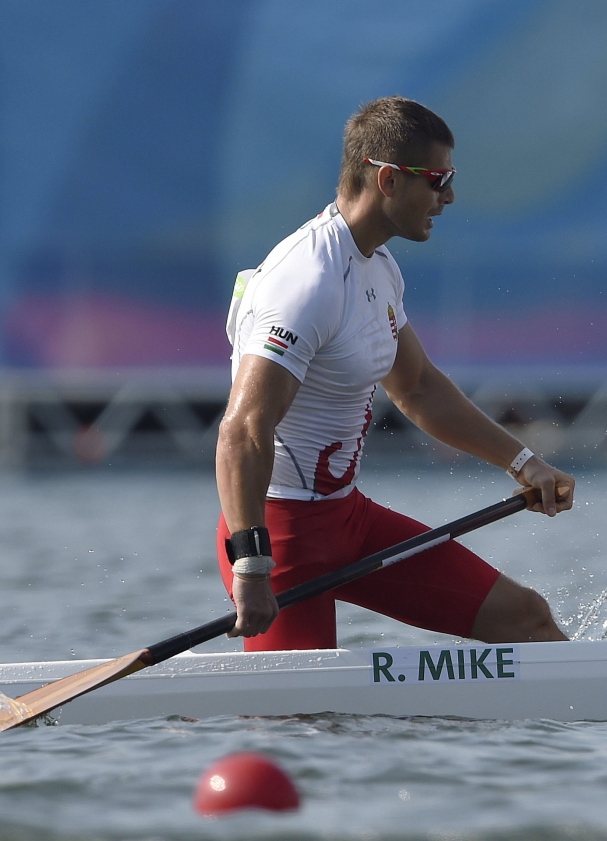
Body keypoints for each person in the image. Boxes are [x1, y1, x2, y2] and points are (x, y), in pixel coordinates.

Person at [215, 95, 575, 648]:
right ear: (386, 180)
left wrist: (523, 462)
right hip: (279, 537)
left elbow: (417, 387)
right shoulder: (307, 282)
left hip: (349, 522)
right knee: (298, 727)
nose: (449, 196)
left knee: (527, 620)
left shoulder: (378, 266)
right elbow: (242, 432)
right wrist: (252, 566)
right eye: (437, 180)